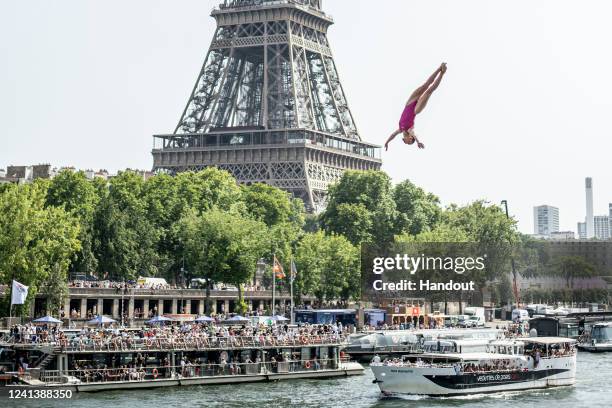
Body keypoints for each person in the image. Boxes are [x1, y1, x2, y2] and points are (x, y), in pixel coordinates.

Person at [385, 63, 447, 151]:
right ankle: (441, 71)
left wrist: (387, 142)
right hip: (415, 109)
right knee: (428, 89)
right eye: (408, 142)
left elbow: (392, 135)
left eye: (406, 142)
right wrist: (418, 142)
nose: (405, 141)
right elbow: (414, 134)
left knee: (426, 87)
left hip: (408, 104)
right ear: (410, 138)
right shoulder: (410, 130)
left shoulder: (400, 129)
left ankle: (440, 70)